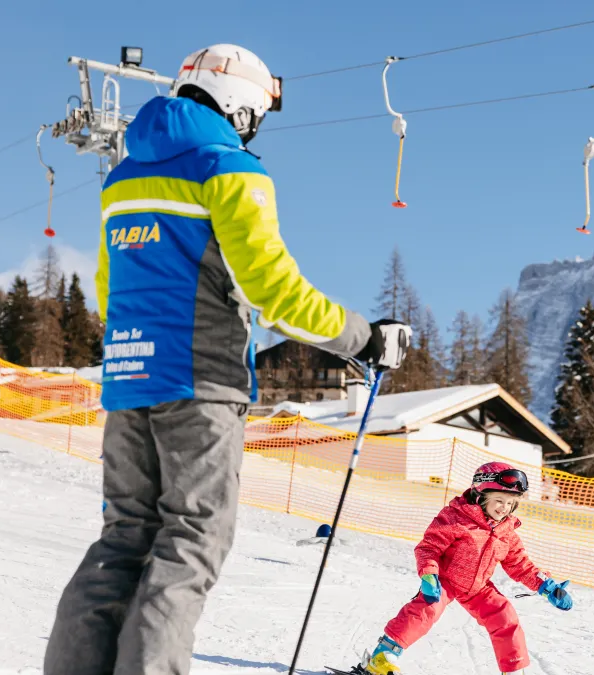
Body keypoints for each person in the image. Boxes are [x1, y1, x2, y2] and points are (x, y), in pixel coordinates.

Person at [44, 43, 411, 675]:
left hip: (131, 383)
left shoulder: (123, 177)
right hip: (202, 383)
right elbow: (275, 293)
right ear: (241, 105)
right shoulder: (229, 168)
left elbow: (111, 290)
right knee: (191, 540)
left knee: (125, 538)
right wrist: (365, 339)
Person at [347, 462, 574, 675]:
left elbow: (520, 565)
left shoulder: (507, 532)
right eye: (498, 500)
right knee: (427, 609)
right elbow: (429, 547)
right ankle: (382, 657)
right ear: (481, 496)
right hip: (445, 580)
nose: (504, 508)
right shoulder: (456, 518)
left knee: (505, 617)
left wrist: (547, 585)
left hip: (478, 587)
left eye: (510, 503)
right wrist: (429, 574)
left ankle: (513, 670)